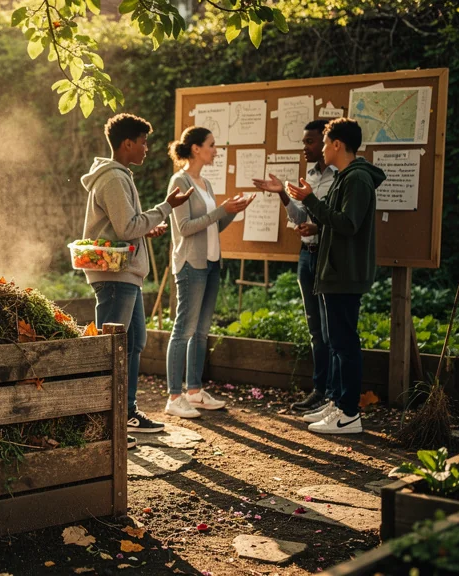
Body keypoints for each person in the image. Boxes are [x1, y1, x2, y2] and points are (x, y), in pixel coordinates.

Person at [80, 113, 194, 448]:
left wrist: (150, 227)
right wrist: (166, 207)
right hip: (115, 276)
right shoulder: (113, 178)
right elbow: (127, 228)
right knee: (112, 349)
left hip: (126, 274)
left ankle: (126, 412)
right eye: (143, 142)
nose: (146, 148)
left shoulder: (120, 175)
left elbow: (128, 225)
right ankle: (106, 424)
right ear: (127, 143)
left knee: (133, 344)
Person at [287, 118, 384, 435]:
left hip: (344, 273)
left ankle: (349, 414)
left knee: (345, 344)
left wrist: (310, 200)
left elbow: (348, 224)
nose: (322, 149)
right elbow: (335, 218)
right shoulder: (347, 177)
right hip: (334, 272)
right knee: (337, 342)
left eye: (326, 143)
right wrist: (314, 218)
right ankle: (339, 403)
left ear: (338, 145)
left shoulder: (356, 179)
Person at [252, 120, 339, 417]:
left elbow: (339, 220)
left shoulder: (339, 176)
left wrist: (317, 225)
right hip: (307, 255)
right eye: (304, 142)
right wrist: (281, 194)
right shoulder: (310, 175)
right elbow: (300, 214)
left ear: (328, 143)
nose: (306, 148)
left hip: (328, 257)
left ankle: (333, 395)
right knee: (316, 329)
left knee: (332, 331)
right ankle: (319, 391)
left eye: (311, 142)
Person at [165, 126, 253, 419]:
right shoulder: (179, 181)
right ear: (196, 149)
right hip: (191, 264)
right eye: (212, 145)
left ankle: (194, 391)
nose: (216, 150)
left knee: (201, 333)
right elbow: (185, 228)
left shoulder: (206, 183)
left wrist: (233, 211)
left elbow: (213, 225)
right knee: (183, 331)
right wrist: (220, 210)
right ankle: (174, 397)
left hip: (212, 264)